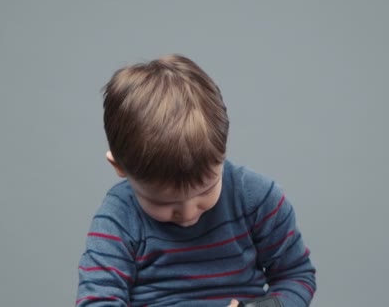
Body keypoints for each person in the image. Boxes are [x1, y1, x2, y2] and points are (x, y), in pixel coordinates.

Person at [76, 54, 316, 306]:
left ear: (222, 152)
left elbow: (296, 275)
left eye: (205, 192)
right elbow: (96, 301)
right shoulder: (119, 217)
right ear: (119, 166)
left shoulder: (256, 198)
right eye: (164, 203)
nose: (189, 214)